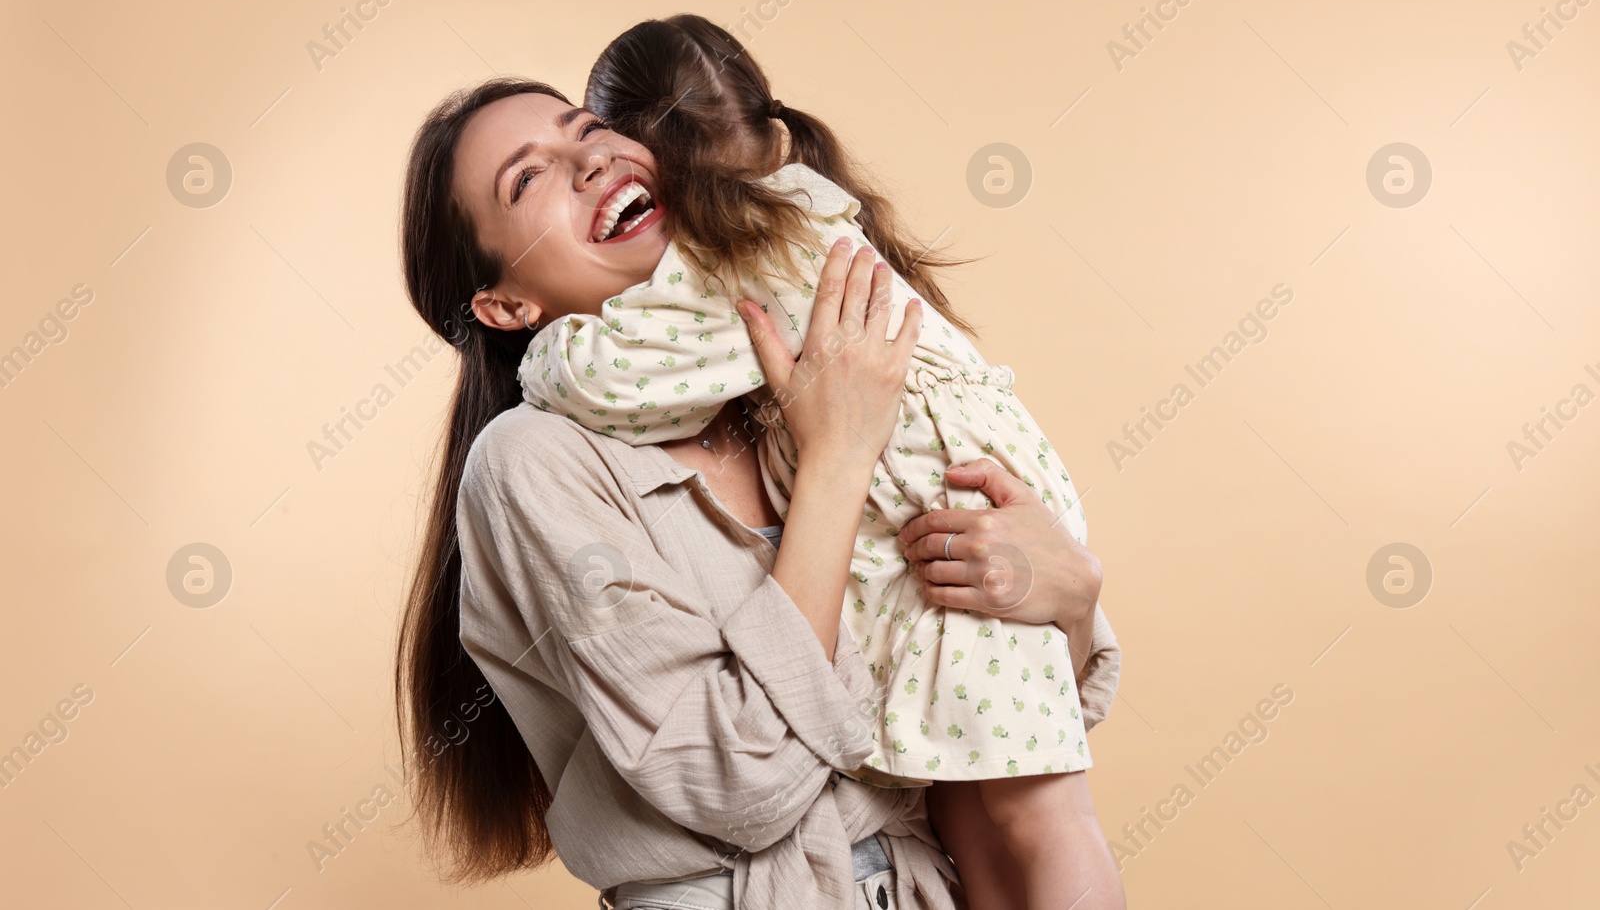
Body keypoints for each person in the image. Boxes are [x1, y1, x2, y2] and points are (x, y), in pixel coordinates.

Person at [393, 75, 1121, 910]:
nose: (588, 160)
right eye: (528, 179)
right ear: (505, 303)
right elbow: (738, 784)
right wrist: (836, 461)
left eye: (586, 128)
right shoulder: (533, 463)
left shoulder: (790, 370)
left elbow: (979, 707)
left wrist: (1068, 596)